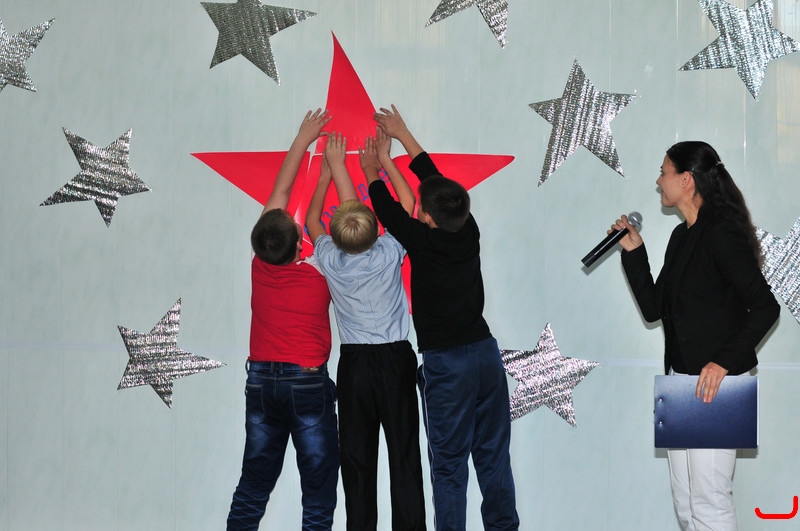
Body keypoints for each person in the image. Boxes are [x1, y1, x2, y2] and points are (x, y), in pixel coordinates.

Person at [610, 141, 779, 531]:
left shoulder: (721, 233)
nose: (658, 180)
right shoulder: (680, 236)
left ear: (686, 179)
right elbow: (654, 308)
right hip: (681, 383)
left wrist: (723, 364)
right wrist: (634, 252)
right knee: (686, 504)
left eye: (664, 172)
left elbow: (765, 307)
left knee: (709, 502)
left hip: (715, 386)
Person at [366, 105, 519, 531]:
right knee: (494, 459)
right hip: (486, 357)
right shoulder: (468, 229)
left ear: (428, 218)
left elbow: (388, 210)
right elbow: (434, 182)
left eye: (422, 210)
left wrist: (373, 167)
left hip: (447, 366)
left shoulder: (422, 240)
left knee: (449, 468)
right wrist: (402, 135)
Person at [305, 129, 426, 531]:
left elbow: (311, 222)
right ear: (377, 228)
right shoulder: (389, 251)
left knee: (356, 459)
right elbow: (407, 207)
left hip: (354, 365)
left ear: (336, 235)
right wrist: (378, 164)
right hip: (395, 359)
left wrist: (329, 172)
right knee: (404, 453)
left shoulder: (330, 259)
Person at [227, 109, 340, 531]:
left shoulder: (261, 263)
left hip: (260, 383)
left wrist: (302, 139)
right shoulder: (321, 272)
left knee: (253, 484)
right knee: (318, 492)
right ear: (299, 247)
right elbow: (341, 229)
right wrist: (330, 174)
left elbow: (281, 190)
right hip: (306, 383)